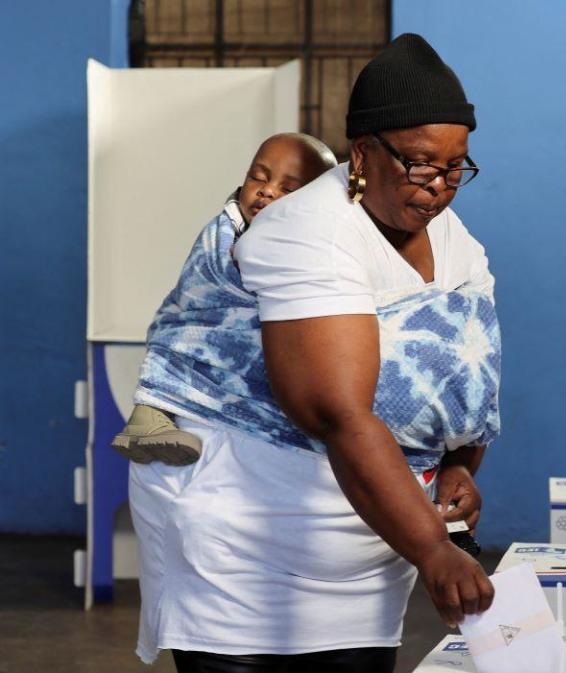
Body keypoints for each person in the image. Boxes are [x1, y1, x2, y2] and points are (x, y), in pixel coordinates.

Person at [128, 33, 500, 673]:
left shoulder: (449, 234)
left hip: (373, 544)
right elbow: (339, 414)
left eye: (454, 166)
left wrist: (459, 463)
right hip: (247, 550)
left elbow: (464, 374)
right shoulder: (308, 231)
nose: (439, 186)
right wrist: (432, 548)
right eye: (419, 163)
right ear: (364, 153)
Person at [111, 132, 338, 465]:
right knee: (182, 340)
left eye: (288, 189)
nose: (267, 190)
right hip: (201, 321)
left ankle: (157, 415)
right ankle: (151, 416)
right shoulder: (225, 232)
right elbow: (202, 287)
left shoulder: (320, 244)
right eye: (257, 177)